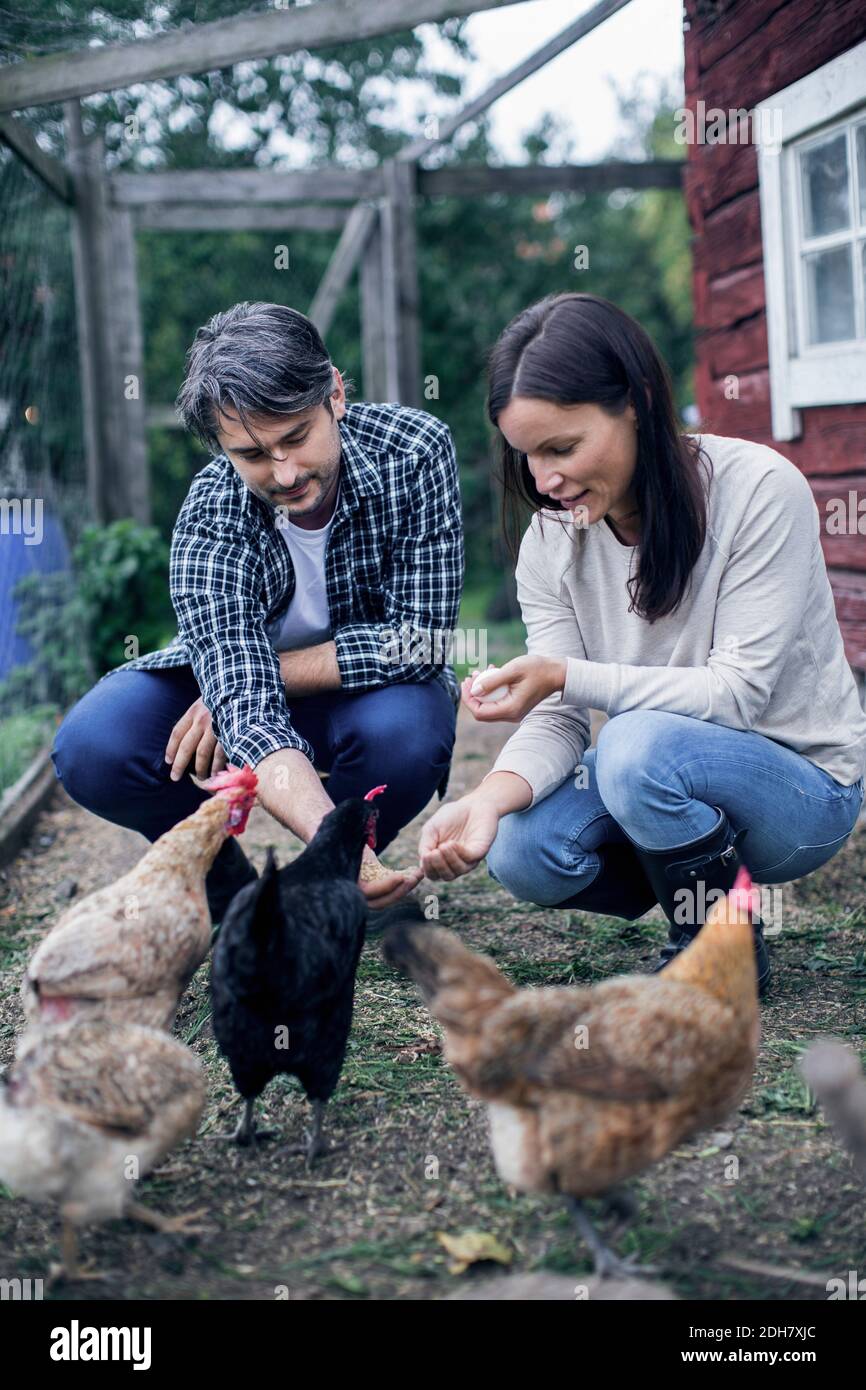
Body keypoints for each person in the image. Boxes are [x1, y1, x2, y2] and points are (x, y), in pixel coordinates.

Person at [418, 292, 866, 994]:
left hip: (802, 790)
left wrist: (567, 673)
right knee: (520, 848)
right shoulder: (550, 539)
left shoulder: (757, 490)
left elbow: (735, 693)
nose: (544, 481)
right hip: (660, 776)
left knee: (632, 746)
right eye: (526, 456)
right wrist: (488, 798)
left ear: (640, 403)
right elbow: (560, 717)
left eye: (562, 448)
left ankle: (721, 955)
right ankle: (706, 885)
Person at [52, 302, 464, 915]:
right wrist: (233, 692)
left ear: (336, 396)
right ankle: (232, 890)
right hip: (235, 681)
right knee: (95, 743)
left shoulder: (416, 452)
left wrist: (243, 685)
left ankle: (330, 887)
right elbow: (246, 707)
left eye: (296, 436)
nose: (286, 471)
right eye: (251, 454)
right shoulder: (209, 514)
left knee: (407, 732)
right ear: (223, 448)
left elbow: (420, 639)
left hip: (367, 692)